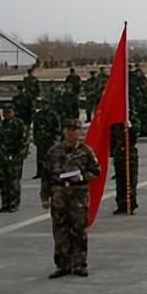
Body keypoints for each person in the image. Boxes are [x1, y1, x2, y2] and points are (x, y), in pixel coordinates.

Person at [41, 117, 100, 278]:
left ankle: (79, 264)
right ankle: (62, 265)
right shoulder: (54, 151)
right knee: (60, 231)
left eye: (74, 130)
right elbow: (45, 176)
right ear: (64, 132)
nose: (71, 133)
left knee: (78, 230)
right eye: (68, 130)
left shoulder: (86, 151)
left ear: (80, 132)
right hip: (59, 195)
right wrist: (45, 197)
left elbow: (96, 172)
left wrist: (82, 177)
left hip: (78, 196)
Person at [0, 105, 29, 212]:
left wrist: (20, 155)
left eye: (9, 112)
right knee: (3, 181)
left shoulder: (19, 124)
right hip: (3, 156)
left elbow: (25, 140)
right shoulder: (2, 124)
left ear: (13, 112)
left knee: (13, 182)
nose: (6, 114)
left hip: (15, 156)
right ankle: (5, 203)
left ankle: (14, 203)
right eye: (5, 113)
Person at [32, 97, 61, 179]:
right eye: (42, 104)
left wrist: (55, 137)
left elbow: (57, 126)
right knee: (40, 157)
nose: (43, 106)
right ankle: (39, 173)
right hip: (41, 139)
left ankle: (51, 173)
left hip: (50, 139)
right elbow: (35, 127)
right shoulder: (38, 115)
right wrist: (35, 138)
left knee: (51, 156)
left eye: (45, 104)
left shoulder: (53, 115)